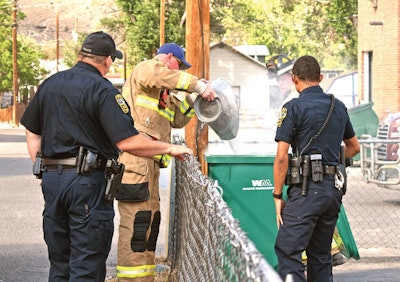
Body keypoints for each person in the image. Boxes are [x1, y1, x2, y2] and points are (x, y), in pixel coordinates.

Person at [20, 31, 192, 282]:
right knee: (86, 263)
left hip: (52, 181)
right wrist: (170, 148)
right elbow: (127, 141)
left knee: (60, 262)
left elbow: (31, 131)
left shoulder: (51, 83)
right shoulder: (102, 90)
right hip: (86, 184)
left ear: (82, 54)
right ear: (107, 60)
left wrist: (43, 168)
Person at [114, 42, 218, 281]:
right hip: (136, 160)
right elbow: (161, 74)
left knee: (150, 223)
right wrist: (197, 84)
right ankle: (132, 279)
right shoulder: (147, 69)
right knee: (137, 225)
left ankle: (146, 277)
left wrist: (195, 99)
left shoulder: (162, 93)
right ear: (169, 58)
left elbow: (177, 120)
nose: (178, 70)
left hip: (150, 164)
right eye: (178, 65)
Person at [272, 55, 360, 282]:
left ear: (294, 80)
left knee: (288, 249)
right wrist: (332, 163)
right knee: (320, 255)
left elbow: (282, 157)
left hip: (305, 191)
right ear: (320, 78)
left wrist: (277, 195)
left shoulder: (293, 107)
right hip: (332, 192)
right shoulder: (338, 106)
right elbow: (354, 147)